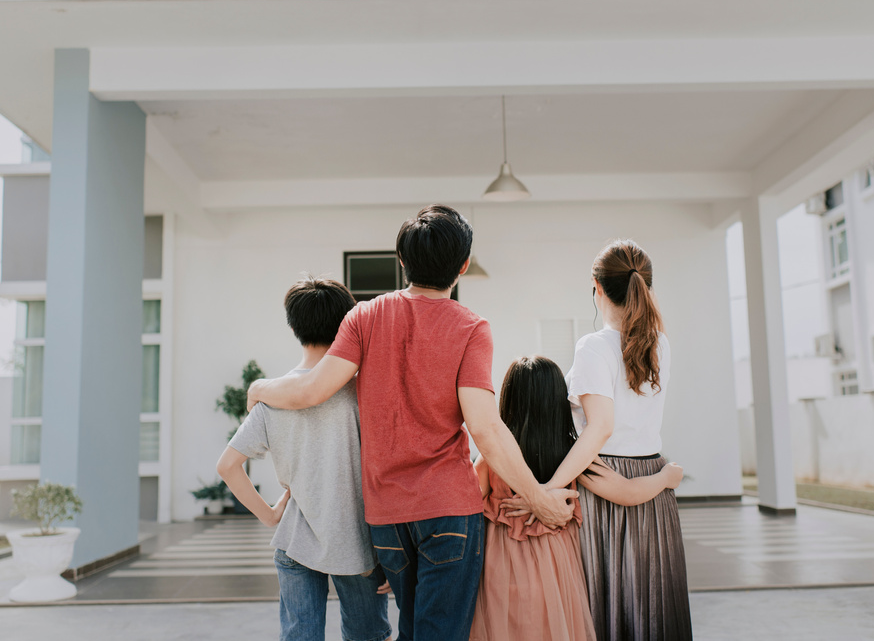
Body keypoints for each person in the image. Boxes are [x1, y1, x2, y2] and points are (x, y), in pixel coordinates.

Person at [247, 204, 576, 641]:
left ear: (402, 260)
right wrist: (538, 498)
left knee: (412, 628)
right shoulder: (471, 327)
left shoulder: (363, 317)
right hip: (448, 510)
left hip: (386, 517)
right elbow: (485, 427)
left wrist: (259, 388)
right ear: (462, 266)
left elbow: (310, 391)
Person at [530, 239, 692, 640]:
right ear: (646, 288)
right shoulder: (661, 342)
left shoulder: (593, 346)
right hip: (652, 478)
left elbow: (599, 428)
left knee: (606, 602)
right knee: (651, 601)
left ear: (596, 287)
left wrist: (547, 488)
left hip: (605, 479)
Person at [216, 276, 391, 641]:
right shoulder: (363, 392)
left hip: (295, 539)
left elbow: (227, 466)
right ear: (347, 322)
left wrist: (269, 515)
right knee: (367, 636)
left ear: (294, 326)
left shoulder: (273, 397)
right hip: (358, 546)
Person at [471, 356, 684, 641]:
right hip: (558, 574)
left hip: (500, 569)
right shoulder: (572, 457)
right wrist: (666, 478)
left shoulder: (491, 460)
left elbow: (463, 508)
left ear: (509, 399)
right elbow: (627, 492)